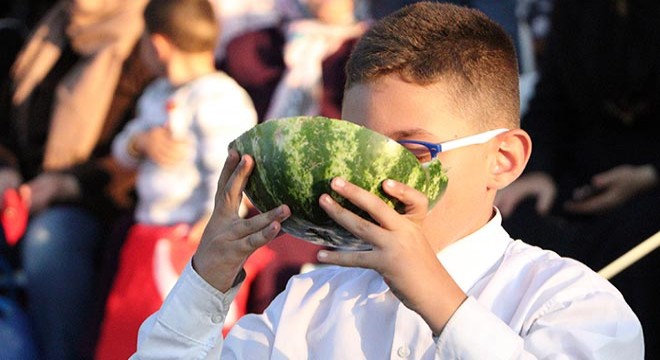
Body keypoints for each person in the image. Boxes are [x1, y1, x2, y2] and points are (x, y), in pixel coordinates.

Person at [132, 2, 644, 358]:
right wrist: (207, 280)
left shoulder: (570, 302)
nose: (365, 174)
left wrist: (439, 301)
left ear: (503, 159)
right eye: (357, 146)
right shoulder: (309, 300)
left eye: (409, 150)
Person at [93, 0, 258, 359]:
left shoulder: (220, 96)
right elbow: (123, 148)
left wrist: (210, 226)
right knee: (131, 337)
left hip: (189, 241)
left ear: (158, 45)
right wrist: (140, 142)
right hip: (147, 235)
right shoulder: (155, 95)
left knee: (178, 338)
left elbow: (229, 170)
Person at [495, 0, 660, 356]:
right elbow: (551, 101)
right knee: (516, 218)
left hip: (649, 180)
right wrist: (538, 172)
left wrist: (648, 175)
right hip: (580, 174)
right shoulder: (575, 10)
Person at [0, 0, 155, 358]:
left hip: (95, 200)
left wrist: (66, 185)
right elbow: (7, 118)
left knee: (49, 242)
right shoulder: (49, 23)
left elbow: (139, 155)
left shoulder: (142, 37)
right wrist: (5, 169)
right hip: (21, 190)